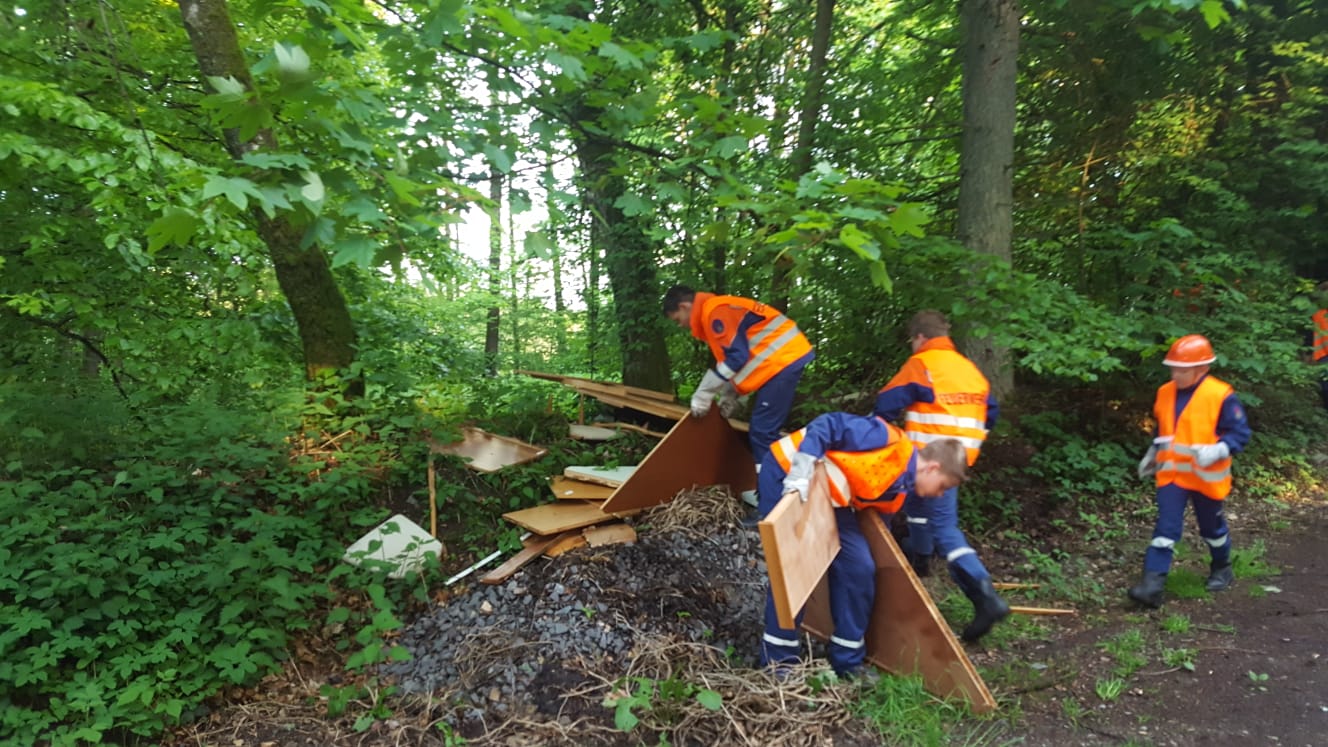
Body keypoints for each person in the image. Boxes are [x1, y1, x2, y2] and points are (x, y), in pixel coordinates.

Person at [754, 411, 969, 677]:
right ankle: (779, 663)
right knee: (790, 570)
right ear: (932, 468)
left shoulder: (900, 490)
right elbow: (827, 424)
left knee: (860, 568)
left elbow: (878, 530)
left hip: (830, 499)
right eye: (943, 486)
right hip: (788, 476)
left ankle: (847, 659)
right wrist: (800, 472)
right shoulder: (887, 440)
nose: (940, 494)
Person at [873, 310, 1008, 642]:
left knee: (910, 518)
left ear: (919, 338)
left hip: (924, 460)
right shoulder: (970, 370)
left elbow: (886, 404)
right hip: (956, 462)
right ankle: (921, 561)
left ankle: (982, 593)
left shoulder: (923, 363)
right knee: (925, 515)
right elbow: (991, 413)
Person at [1128, 334, 1251, 609]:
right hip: (1172, 475)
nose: (1176, 374)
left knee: (1212, 529)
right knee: (1165, 527)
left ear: (1202, 368)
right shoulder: (1164, 392)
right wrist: (1154, 453)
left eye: (1182, 369)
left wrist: (1218, 450)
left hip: (1206, 476)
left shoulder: (1221, 395)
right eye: (1173, 368)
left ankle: (1222, 567)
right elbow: (1165, 430)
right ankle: (1151, 587)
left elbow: (1240, 434)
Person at [662, 285, 815, 504]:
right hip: (781, 361)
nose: (681, 325)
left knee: (762, 433)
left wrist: (704, 394)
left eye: (678, 319)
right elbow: (740, 359)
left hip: (783, 361)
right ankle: (780, 494)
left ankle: (773, 503)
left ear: (684, 307)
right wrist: (730, 394)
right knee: (764, 432)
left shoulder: (715, 311)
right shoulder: (716, 310)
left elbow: (737, 358)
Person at [1310, 281, 1328, 410]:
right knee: (1325, 388)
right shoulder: (1319, 312)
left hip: (1321, 355)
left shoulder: (1317, 312)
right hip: (1323, 355)